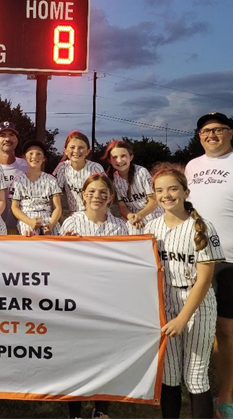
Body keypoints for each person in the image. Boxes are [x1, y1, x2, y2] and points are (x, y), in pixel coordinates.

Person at [183, 112, 233, 418]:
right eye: (205, 131)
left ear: (230, 132)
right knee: (219, 333)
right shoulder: (193, 166)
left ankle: (225, 399)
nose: (211, 135)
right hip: (200, 258)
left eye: (217, 130)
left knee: (226, 332)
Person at [143, 168, 222, 419]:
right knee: (169, 374)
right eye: (159, 190)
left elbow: (205, 280)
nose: (166, 195)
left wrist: (182, 318)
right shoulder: (151, 226)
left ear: (186, 192)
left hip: (196, 305)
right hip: (165, 304)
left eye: (173, 188)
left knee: (196, 376)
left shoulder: (203, 226)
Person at [60, 173, 131, 419]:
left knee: (105, 356)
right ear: (83, 195)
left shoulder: (120, 226)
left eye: (102, 192)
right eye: (91, 192)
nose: (96, 196)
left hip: (108, 300)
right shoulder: (71, 223)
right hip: (77, 299)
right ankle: (75, 412)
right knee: (76, 357)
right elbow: (57, 262)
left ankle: (101, 409)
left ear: (111, 197)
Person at [103, 140, 161, 228]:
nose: (119, 160)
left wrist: (139, 216)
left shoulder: (141, 172)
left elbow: (154, 201)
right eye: (114, 157)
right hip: (132, 217)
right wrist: (131, 217)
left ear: (131, 157)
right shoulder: (113, 179)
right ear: (110, 160)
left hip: (153, 214)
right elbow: (122, 206)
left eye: (123, 156)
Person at [11, 140, 62, 236]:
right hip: (27, 217)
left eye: (39, 154)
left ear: (44, 159)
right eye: (30, 153)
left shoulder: (50, 180)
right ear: (24, 157)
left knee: (56, 236)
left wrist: (51, 224)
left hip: (47, 217)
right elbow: (14, 207)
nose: (34, 157)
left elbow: (57, 207)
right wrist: (29, 221)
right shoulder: (18, 180)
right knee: (30, 236)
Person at [53, 130, 105, 219]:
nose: (76, 151)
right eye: (72, 147)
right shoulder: (63, 167)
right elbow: (55, 195)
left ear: (87, 151)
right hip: (75, 215)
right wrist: (60, 219)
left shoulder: (96, 167)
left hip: (97, 213)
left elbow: (106, 193)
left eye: (81, 147)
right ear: (65, 150)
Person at [0, 121, 28, 233]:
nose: (7, 139)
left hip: (24, 229)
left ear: (16, 141)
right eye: (2, 135)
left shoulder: (27, 166)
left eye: (11, 135)